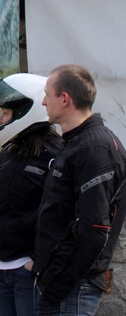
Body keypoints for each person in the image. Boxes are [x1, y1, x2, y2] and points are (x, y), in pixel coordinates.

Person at [33, 64, 126, 315]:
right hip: (57, 282)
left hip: (74, 287)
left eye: (47, 95)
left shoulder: (95, 148)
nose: (43, 102)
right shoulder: (75, 142)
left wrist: (57, 280)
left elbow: (95, 229)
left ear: (64, 99)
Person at [0, 74, 61, 316]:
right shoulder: (9, 151)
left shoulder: (56, 154)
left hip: (27, 269)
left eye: (6, 114)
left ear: (25, 114)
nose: (0, 119)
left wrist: (35, 260)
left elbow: (59, 214)